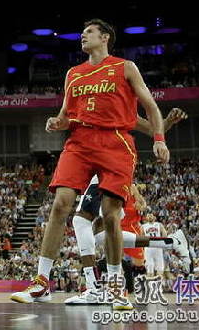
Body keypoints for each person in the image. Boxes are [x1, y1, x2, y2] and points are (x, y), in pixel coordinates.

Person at [10, 19, 168, 311]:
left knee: (110, 215)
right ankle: (41, 280)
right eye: (82, 32)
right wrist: (57, 123)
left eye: (89, 32)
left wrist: (159, 138)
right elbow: (65, 115)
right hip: (79, 143)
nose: (83, 36)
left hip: (116, 142)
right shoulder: (74, 73)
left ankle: (116, 286)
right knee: (61, 204)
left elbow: (151, 106)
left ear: (105, 37)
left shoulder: (125, 67)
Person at [65, 108, 190, 305]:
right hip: (104, 168)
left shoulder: (117, 106)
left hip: (109, 166)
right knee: (100, 236)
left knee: (80, 220)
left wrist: (166, 124)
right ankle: (170, 242)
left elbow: (154, 128)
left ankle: (94, 288)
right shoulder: (88, 103)